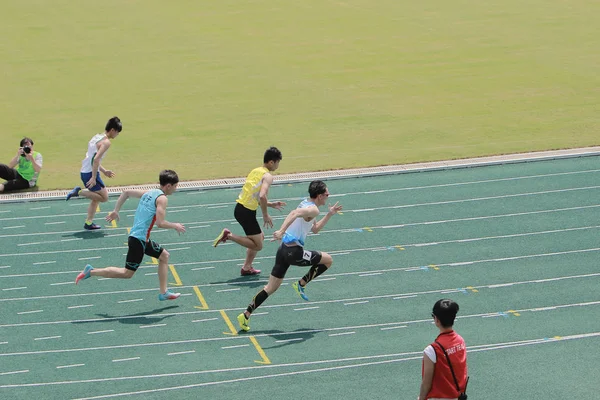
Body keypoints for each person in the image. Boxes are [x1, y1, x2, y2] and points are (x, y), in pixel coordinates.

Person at [236, 180, 343, 332]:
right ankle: (301, 283)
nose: (328, 195)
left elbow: (315, 229)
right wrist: (280, 231)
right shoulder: (313, 209)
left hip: (283, 250)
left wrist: (330, 214)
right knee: (328, 260)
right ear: (319, 196)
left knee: (270, 288)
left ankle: (245, 314)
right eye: (326, 193)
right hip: (294, 253)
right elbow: (294, 213)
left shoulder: (306, 203)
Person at [75, 169, 186, 301]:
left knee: (164, 256)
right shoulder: (162, 199)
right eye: (175, 186)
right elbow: (160, 223)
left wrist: (116, 210)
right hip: (138, 240)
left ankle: (164, 292)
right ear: (168, 186)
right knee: (127, 273)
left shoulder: (150, 192)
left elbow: (126, 192)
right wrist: (176, 225)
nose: (175, 189)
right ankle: (91, 272)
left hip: (141, 239)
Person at [213, 146, 286, 276]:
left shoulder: (255, 171)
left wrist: (270, 204)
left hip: (241, 209)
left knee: (260, 237)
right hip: (246, 212)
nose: (278, 166)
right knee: (258, 245)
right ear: (271, 162)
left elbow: (255, 195)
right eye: (277, 162)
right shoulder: (268, 176)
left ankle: (246, 267)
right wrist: (265, 215)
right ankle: (228, 235)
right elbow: (262, 196)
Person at [66, 116, 122, 230]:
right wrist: (93, 177)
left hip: (85, 171)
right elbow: (96, 159)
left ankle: (88, 222)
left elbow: (92, 158)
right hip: (89, 173)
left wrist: (104, 171)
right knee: (104, 197)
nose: (117, 135)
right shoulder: (106, 142)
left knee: (96, 198)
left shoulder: (96, 137)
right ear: (112, 130)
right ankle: (79, 192)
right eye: (117, 132)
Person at [419, 299, 469, 400]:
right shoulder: (460, 341)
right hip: (458, 396)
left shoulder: (432, 350)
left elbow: (426, 383)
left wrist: (421, 398)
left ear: (436, 320)